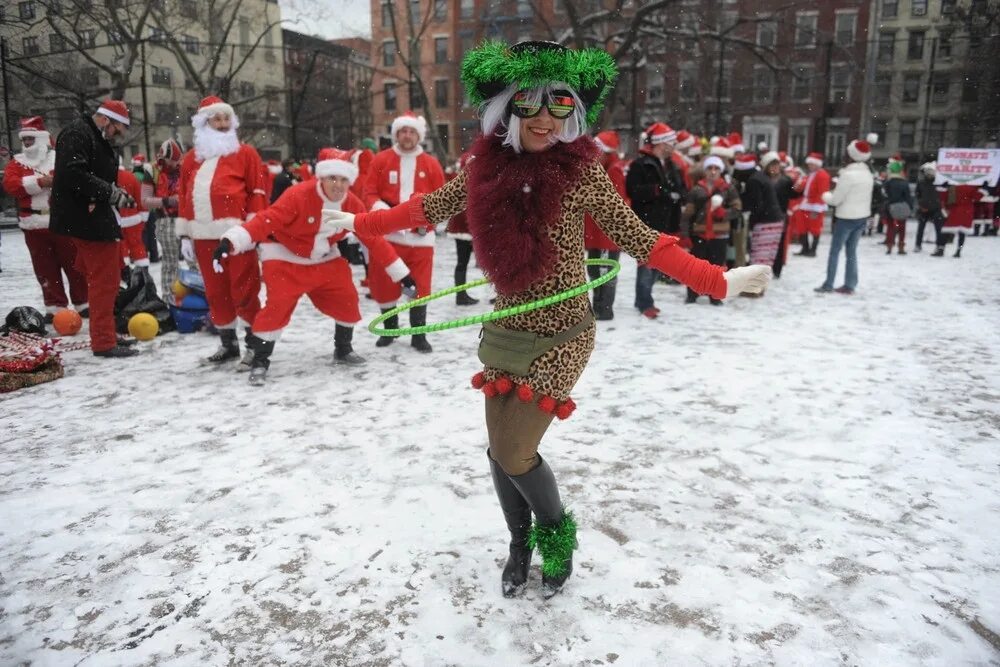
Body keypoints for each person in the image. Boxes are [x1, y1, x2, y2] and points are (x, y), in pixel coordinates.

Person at [322, 40, 770, 599]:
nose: (544, 119)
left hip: (562, 332)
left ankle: (556, 538)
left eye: (559, 105)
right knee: (498, 449)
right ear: (508, 110)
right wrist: (364, 221)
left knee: (514, 450)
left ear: (572, 113)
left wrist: (716, 280)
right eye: (529, 106)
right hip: (509, 324)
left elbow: (640, 239)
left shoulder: (582, 175)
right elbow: (427, 208)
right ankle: (518, 542)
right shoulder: (483, 171)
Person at [213, 148, 417, 384]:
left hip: (323, 258)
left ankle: (343, 348)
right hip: (284, 256)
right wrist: (230, 242)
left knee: (347, 297)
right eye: (332, 178)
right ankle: (260, 360)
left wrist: (402, 275)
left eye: (343, 180)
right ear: (321, 178)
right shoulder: (298, 195)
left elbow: (373, 239)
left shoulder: (352, 203)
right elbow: (266, 220)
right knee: (277, 306)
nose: (338, 185)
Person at [176, 95, 267, 366]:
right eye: (217, 118)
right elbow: (183, 195)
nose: (224, 123)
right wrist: (184, 233)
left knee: (245, 289)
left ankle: (255, 344)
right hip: (202, 236)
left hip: (237, 235)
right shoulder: (192, 159)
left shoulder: (246, 153)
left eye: (227, 118)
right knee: (216, 292)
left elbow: (258, 192)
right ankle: (228, 344)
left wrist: (254, 230)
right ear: (205, 123)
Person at [49, 99, 139, 357]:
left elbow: (90, 174)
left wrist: (112, 192)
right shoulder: (78, 133)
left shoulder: (90, 135)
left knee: (104, 280)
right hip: (87, 220)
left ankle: (107, 334)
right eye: (118, 128)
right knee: (105, 282)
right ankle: (103, 341)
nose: (118, 135)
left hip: (94, 217)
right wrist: (109, 193)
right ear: (106, 120)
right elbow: (72, 176)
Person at [362, 110, 445, 352]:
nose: (407, 136)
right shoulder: (381, 160)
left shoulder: (431, 164)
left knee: (421, 287)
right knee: (384, 283)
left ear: (418, 135)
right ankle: (390, 328)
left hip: (421, 237)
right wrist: (380, 210)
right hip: (388, 234)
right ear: (396, 134)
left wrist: (426, 223)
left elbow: (442, 199)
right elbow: (369, 191)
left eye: (411, 131)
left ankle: (418, 334)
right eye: (403, 131)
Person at [2, 116, 88, 321]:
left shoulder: (59, 158)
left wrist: (48, 184)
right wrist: (40, 182)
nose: (27, 143)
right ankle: (55, 306)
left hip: (62, 222)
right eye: (25, 139)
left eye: (31, 138)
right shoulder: (17, 163)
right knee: (44, 269)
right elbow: (11, 185)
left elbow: (72, 181)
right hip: (33, 225)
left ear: (41, 138)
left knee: (74, 265)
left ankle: (83, 302)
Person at [625, 121, 685, 319]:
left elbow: (680, 188)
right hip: (647, 222)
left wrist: (678, 194)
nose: (673, 147)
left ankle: (643, 299)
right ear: (661, 144)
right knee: (646, 265)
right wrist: (658, 191)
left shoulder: (672, 165)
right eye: (670, 143)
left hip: (667, 221)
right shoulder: (640, 164)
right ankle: (645, 302)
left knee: (658, 265)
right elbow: (632, 190)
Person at [680, 155, 742, 305]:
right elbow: (687, 214)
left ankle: (715, 296)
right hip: (699, 233)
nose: (713, 172)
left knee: (717, 267)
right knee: (696, 266)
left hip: (720, 234)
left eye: (716, 169)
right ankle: (692, 293)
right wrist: (685, 234)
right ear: (705, 171)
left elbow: (737, 209)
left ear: (720, 171)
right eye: (710, 168)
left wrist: (724, 214)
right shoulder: (696, 190)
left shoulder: (728, 189)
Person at [815, 139, 874, 295]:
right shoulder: (868, 174)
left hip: (846, 217)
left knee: (835, 251)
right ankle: (850, 284)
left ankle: (828, 284)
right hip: (861, 216)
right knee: (852, 252)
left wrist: (825, 195)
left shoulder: (848, 175)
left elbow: (835, 200)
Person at [585, 130, 627, 320]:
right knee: (595, 271)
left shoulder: (614, 170)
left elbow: (612, 204)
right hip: (597, 232)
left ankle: (604, 309)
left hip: (605, 235)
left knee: (604, 272)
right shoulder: (603, 168)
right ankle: (598, 307)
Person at [739, 151, 785, 292]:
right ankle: (760, 286)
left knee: (759, 256)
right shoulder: (763, 178)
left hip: (766, 222)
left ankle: (754, 289)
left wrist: (750, 217)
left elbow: (757, 205)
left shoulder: (754, 180)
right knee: (767, 257)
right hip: (776, 220)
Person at [149, 139, 184, 296]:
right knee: (170, 261)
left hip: (186, 219)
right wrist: (167, 201)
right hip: (165, 221)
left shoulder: (184, 170)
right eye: (172, 161)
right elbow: (145, 201)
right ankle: (169, 296)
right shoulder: (152, 171)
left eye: (177, 161)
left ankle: (198, 295)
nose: (174, 165)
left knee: (195, 261)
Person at [445, 151, 480, 306]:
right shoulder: (475, 183)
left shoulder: (457, 180)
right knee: (492, 263)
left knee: (462, 262)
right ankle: (461, 295)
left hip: (463, 226)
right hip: (469, 227)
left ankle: (460, 294)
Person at [791, 152, 830, 256]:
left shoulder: (822, 175)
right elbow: (801, 188)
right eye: (809, 164)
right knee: (802, 227)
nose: (809, 166)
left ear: (818, 164)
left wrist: (816, 209)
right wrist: (796, 185)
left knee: (815, 229)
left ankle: (813, 250)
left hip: (814, 206)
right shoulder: (810, 175)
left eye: (811, 164)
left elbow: (822, 193)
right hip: (805, 204)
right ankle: (805, 249)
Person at [937, 184, 987, 258]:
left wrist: (943, 187)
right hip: (966, 212)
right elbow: (977, 197)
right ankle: (958, 251)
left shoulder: (952, 186)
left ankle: (941, 249)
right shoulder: (972, 186)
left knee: (946, 231)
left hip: (954, 210)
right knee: (962, 233)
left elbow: (944, 196)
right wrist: (984, 188)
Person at [117, 162, 149, 274]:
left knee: (121, 248)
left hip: (117, 219)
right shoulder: (131, 176)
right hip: (133, 218)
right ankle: (143, 271)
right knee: (137, 246)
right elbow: (140, 198)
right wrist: (143, 216)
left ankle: (126, 272)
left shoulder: (106, 177)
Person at [883, 161, 913, 255]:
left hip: (891, 207)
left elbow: (885, 195)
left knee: (891, 227)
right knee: (902, 228)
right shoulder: (904, 183)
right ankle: (901, 247)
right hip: (902, 206)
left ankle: (890, 246)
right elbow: (908, 197)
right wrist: (910, 207)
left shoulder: (888, 183)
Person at [915, 162, 944, 253]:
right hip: (924, 209)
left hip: (936, 209)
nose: (929, 174)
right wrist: (921, 205)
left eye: (931, 172)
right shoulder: (921, 183)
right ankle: (918, 245)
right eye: (928, 172)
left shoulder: (939, 183)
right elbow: (918, 195)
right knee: (921, 228)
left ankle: (939, 246)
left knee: (938, 229)